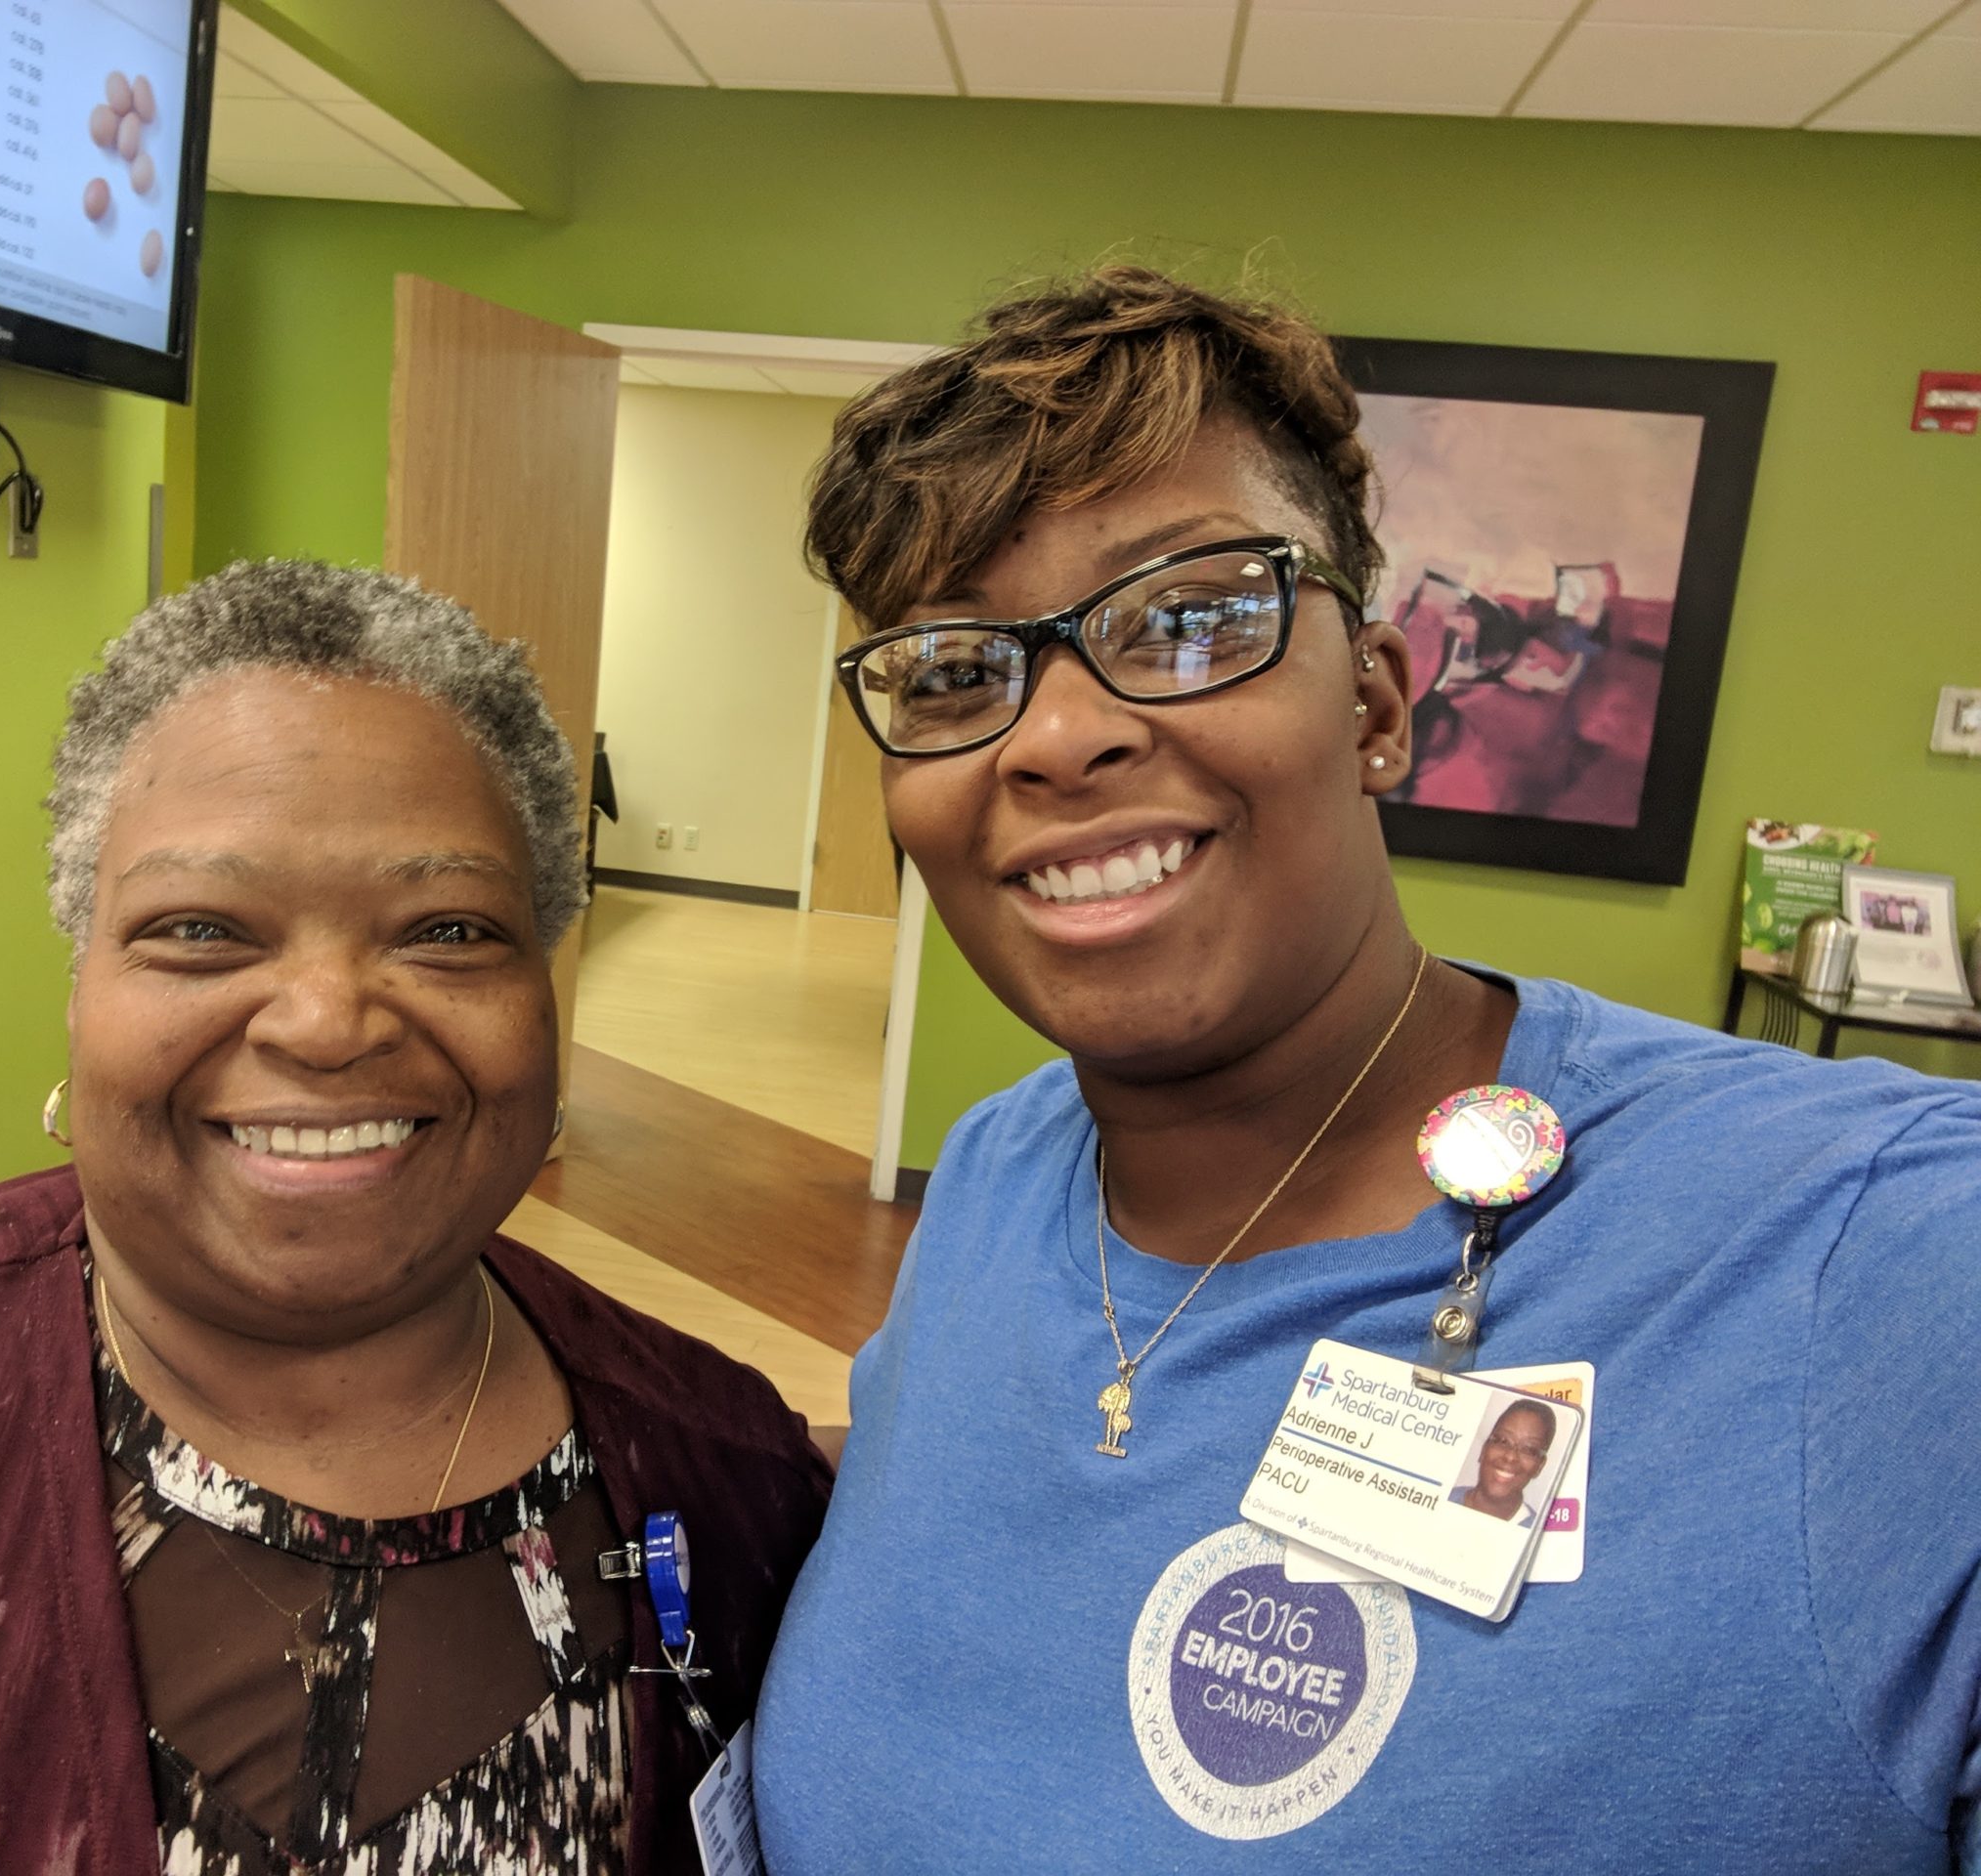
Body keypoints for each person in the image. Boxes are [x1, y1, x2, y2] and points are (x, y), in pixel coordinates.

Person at [752, 265, 1981, 1872]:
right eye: (954, 671)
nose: (1052, 739)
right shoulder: (998, 1166)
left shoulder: (1881, 1253)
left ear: (1378, 709)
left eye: (1185, 620)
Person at [0, 560, 830, 1875]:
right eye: (200, 930)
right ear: (80, 980)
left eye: (447, 931)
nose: (324, 1022)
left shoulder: (725, 1477)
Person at [1449, 1398, 1555, 1528]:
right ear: (1484, 1449)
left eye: (1529, 1449)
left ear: (1539, 1466)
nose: (1510, 1456)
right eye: (1502, 1441)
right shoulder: (1442, 1497)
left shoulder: (1539, 1536)